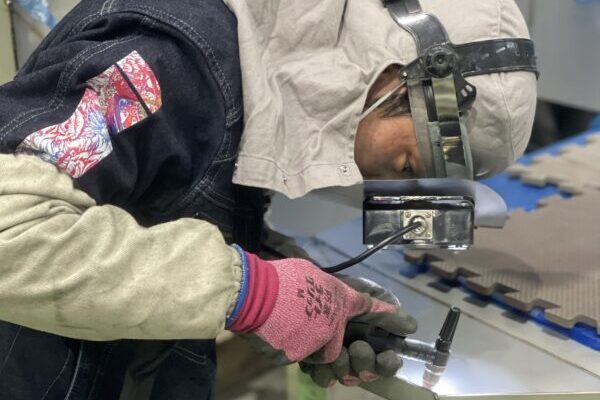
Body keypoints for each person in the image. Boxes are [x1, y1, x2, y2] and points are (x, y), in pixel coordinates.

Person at [0, 0, 536, 399]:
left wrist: (295, 288)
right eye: (406, 167)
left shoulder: (254, 79)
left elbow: (154, 213)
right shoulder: (162, 63)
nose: (381, 184)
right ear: (398, 76)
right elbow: (13, 230)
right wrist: (251, 292)